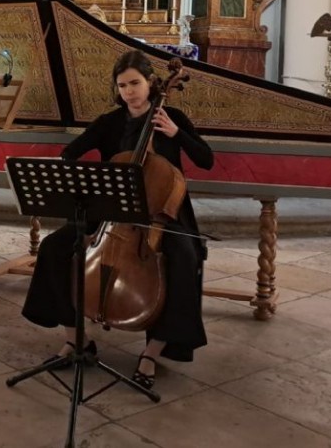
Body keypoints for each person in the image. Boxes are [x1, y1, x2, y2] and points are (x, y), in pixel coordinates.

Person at [21, 49, 214, 389]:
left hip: (160, 216)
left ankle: (151, 353)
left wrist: (176, 134)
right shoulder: (110, 122)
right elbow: (72, 151)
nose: (129, 91)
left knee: (185, 257)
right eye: (122, 85)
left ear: (151, 83)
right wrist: (72, 171)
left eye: (135, 83)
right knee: (53, 247)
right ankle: (75, 340)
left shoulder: (173, 118)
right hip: (111, 213)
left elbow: (206, 159)